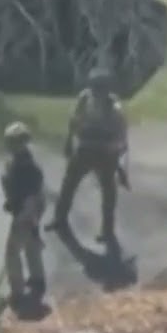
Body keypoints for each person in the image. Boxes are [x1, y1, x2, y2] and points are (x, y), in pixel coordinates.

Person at [46, 67, 129, 243]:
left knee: (108, 193)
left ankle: (107, 231)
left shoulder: (114, 107)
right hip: (84, 149)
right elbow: (74, 121)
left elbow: (122, 137)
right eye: (95, 86)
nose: (97, 91)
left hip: (105, 152)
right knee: (68, 184)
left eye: (101, 87)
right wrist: (69, 141)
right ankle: (60, 219)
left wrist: (120, 165)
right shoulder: (84, 98)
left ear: (107, 88)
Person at [2, 121, 47, 299]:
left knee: (12, 252)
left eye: (16, 141)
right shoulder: (18, 162)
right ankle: (38, 279)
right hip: (28, 209)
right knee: (31, 245)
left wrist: (27, 216)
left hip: (27, 211)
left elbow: (31, 195)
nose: (12, 145)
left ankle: (17, 289)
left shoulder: (26, 168)